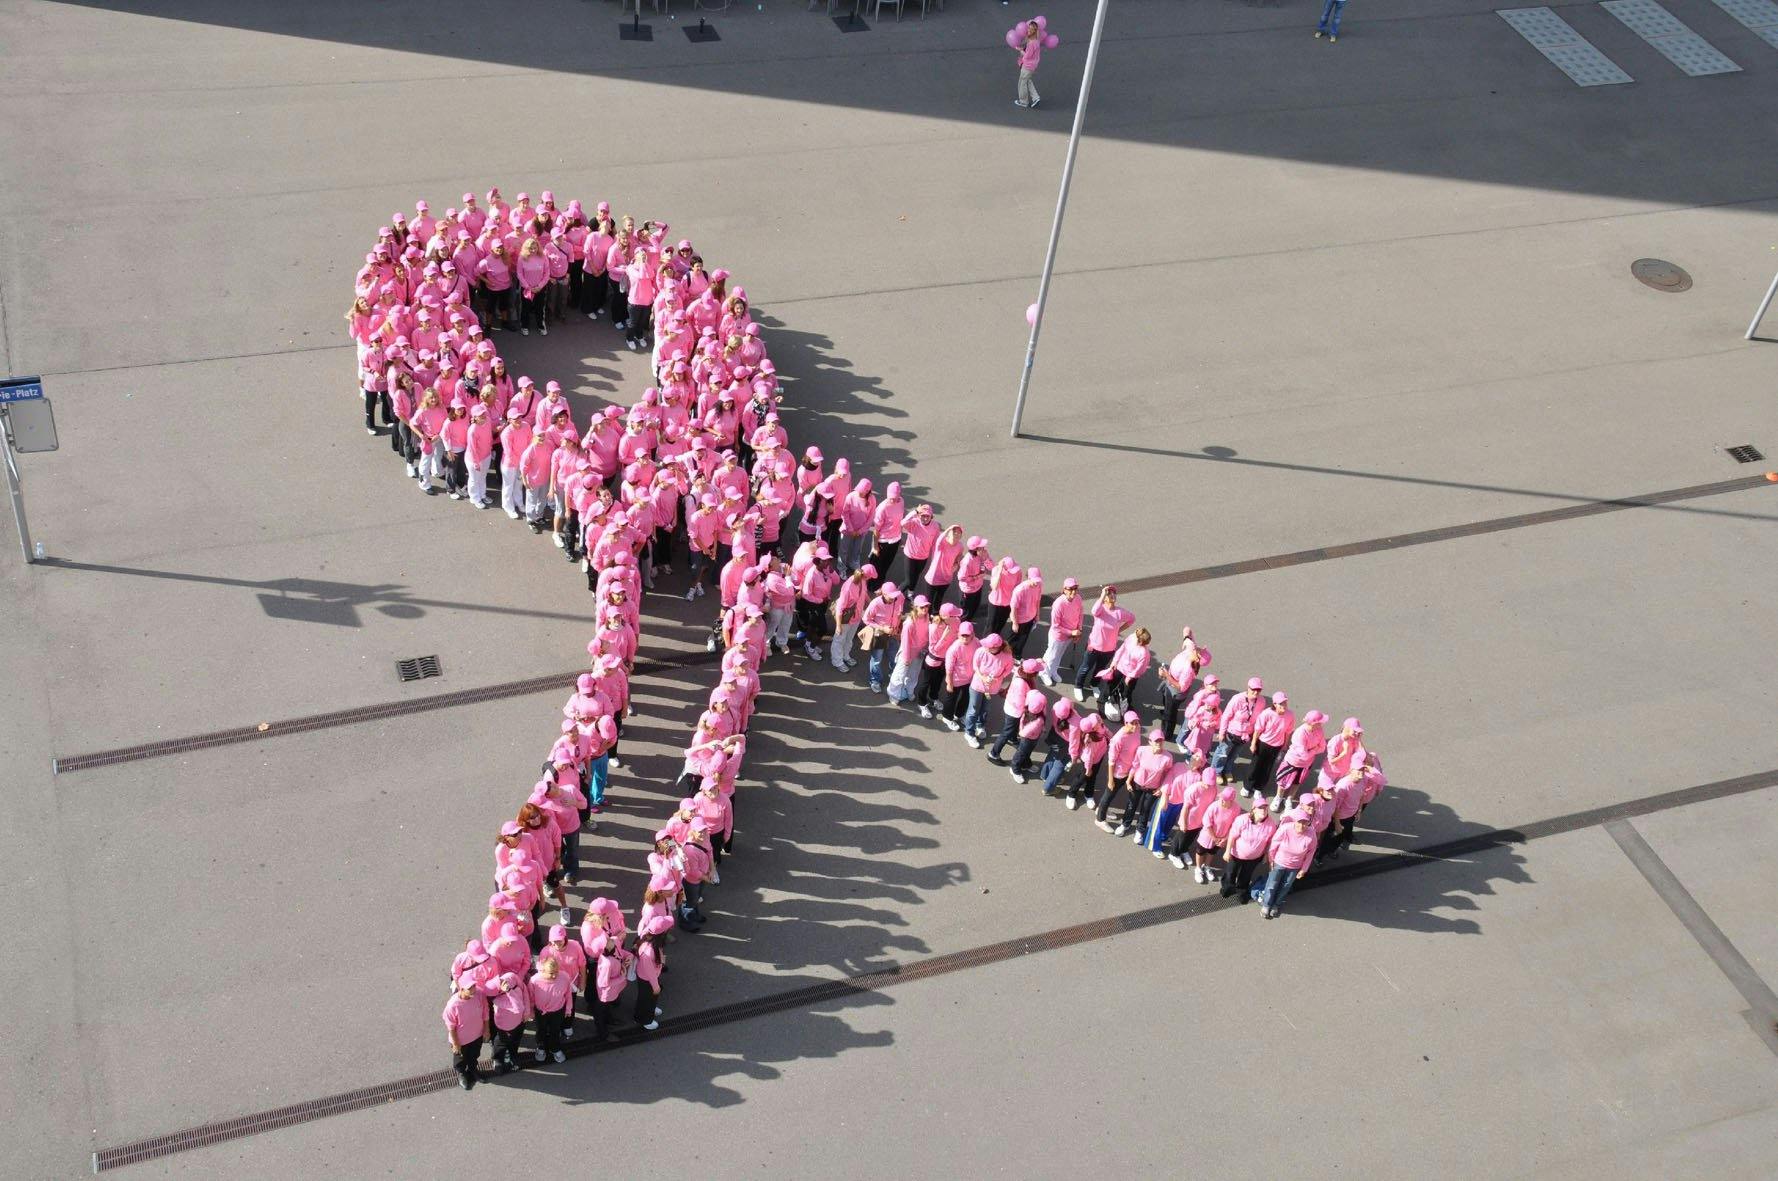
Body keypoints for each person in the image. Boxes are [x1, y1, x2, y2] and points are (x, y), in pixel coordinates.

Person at [1255, 807, 1319, 919]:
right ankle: (1266, 905)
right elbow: (1274, 844)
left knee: (1285, 886)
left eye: (1305, 823)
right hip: (1279, 862)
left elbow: (1311, 852)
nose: (1302, 825)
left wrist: (1304, 869)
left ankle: (1276, 904)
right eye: (1299, 822)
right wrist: (1271, 859)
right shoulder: (1285, 828)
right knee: (1272, 885)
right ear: (1295, 821)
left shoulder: (1311, 834)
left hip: (1295, 866)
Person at [1073, 586, 1133, 704]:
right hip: (1094, 647)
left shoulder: (1119, 612)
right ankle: (1078, 686)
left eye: (1114, 593)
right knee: (1085, 668)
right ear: (1104, 598)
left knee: (1100, 669)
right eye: (1109, 593)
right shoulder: (1100, 610)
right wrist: (1102, 595)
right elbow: (1094, 611)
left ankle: (1094, 684)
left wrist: (1119, 630)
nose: (1112, 595)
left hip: (1109, 649)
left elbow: (1132, 619)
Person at [1221, 797, 1277, 901]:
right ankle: (1227, 888)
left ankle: (1241, 891)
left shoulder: (1271, 824)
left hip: (1254, 858)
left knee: (1246, 875)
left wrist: (1266, 855)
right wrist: (1227, 851)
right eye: (1260, 808)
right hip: (1236, 855)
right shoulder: (1242, 819)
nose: (1263, 810)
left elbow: (1270, 842)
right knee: (1230, 873)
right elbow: (1232, 836)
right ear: (1254, 809)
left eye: (1265, 808)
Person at [1214, 677, 1266, 785]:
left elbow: (1259, 719)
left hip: (1245, 735)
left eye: (1258, 690)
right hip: (1231, 733)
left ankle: (1227, 770)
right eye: (1253, 689)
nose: (1256, 692)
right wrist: (1222, 732)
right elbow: (1226, 716)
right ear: (1248, 688)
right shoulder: (1237, 699)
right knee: (1222, 753)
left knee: (1234, 755)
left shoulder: (1261, 701)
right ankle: (1216, 772)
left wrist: (1254, 735)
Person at [1156, 627, 1206, 736]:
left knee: (1170, 713)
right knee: (1167, 702)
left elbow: (1181, 687)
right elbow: (1187, 632)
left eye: (1199, 652)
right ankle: (1166, 710)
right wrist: (1187, 634)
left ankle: (1166, 733)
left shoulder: (1188, 670)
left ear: (1198, 658)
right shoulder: (1191, 649)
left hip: (1175, 691)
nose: (1197, 649)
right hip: (1170, 683)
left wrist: (1166, 675)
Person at [1273, 710, 1328, 806]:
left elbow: (1322, 748)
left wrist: (1310, 750)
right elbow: (1304, 755)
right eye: (1320, 722)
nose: (1322, 724)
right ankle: (1278, 797)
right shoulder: (1300, 733)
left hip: (1306, 764)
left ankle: (1289, 798)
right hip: (1292, 762)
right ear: (1313, 723)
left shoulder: (1319, 730)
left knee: (1297, 782)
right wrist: (1315, 749)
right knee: (1283, 781)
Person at [1246, 691, 1294, 798]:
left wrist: (1285, 745)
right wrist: (1253, 743)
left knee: (1267, 768)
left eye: (1285, 703)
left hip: (1276, 746)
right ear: (1275, 704)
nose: (1284, 706)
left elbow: (1288, 732)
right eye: (1281, 704)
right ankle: (1247, 786)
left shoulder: (1290, 715)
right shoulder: (1267, 714)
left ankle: (1258, 788)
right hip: (1263, 743)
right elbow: (1258, 730)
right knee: (1255, 766)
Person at [1038, 578, 1084, 687]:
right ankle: (1044, 673)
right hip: (1058, 636)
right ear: (1064, 590)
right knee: (1051, 656)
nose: (1073, 591)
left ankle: (1053, 671)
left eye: (1075, 588)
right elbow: (1055, 626)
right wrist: (1072, 632)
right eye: (1070, 589)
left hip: (1070, 635)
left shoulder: (1078, 598)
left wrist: (1079, 630)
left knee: (1059, 655)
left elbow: (1080, 614)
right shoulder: (1059, 604)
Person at [528, 956, 572, 1064]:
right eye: (551, 973)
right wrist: (531, 1011)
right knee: (541, 1030)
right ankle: (541, 1047)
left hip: (558, 1011)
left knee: (555, 1030)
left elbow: (568, 995)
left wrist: (568, 1009)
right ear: (542, 970)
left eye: (556, 972)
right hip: (540, 1012)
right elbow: (531, 998)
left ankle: (555, 1048)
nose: (554, 975)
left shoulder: (564, 977)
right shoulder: (534, 980)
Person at [1193, 786, 1241, 884]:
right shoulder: (1214, 807)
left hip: (1222, 837)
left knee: (1212, 852)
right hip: (1208, 835)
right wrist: (1214, 838)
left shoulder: (1236, 809)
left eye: (1225, 799)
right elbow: (1207, 824)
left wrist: (1225, 838)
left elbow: (1234, 825)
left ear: (1231, 801)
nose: (1221, 800)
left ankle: (1206, 866)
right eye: (1221, 798)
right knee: (1200, 851)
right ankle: (1198, 868)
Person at [444, 983, 487, 1091]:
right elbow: (451, 1027)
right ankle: (462, 1073)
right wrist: (455, 1044)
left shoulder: (478, 995)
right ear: (461, 989)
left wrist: (487, 1029)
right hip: (461, 1041)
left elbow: (485, 1012)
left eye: (474, 986)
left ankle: (473, 1069)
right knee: (460, 1059)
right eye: (469, 988)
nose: (473, 990)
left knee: (474, 1055)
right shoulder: (453, 1005)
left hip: (477, 1035)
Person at [487, 971, 531, 1074]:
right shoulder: (498, 1000)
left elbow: (524, 990)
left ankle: (513, 1054)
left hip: (520, 1021)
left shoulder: (510, 976)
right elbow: (518, 1007)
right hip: (505, 1025)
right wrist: (509, 991)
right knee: (501, 1043)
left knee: (516, 1040)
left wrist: (527, 1013)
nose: (503, 982)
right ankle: (497, 1059)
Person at [1013, 18, 1046, 108]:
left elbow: (1027, 56)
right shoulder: (1037, 41)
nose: (1028, 30)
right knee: (1027, 80)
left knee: (1022, 83)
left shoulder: (1032, 43)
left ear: (1033, 31)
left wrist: (1020, 50)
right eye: (1028, 28)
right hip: (1032, 66)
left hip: (1027, 66)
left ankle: (1023, 101)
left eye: (1030, 29)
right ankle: (1035, 98)